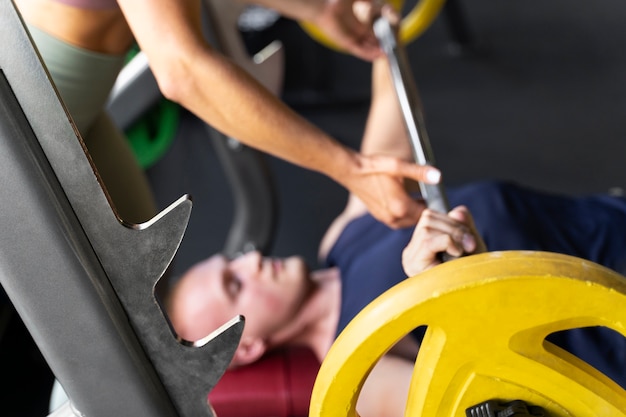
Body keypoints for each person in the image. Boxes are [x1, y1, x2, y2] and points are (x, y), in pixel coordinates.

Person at [167, 58, 626, 417]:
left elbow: (392, 122)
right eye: (236, 285)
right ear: (248, 347)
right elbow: (500, 399)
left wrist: (379, 34)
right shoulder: (364, 370)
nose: (252, 263)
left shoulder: (342, 239)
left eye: (234, 261)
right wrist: (450, 288)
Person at [13, 0, 440, 227]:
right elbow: (182, 71)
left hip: (73, 111)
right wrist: (351, 168)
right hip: (21, 122)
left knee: (140, 304)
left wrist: (320, 9)